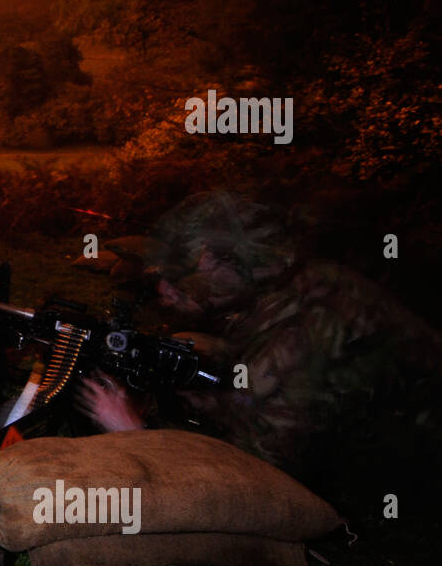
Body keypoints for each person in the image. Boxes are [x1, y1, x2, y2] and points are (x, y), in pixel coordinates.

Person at [75, 191, 442, 476]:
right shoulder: (282, 288)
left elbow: (255, 472)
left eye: (182, 275)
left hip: (409, 461)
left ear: (224, 264)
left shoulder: (301, 332)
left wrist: (137, 432)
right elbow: (246, 394)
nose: (165, 290)